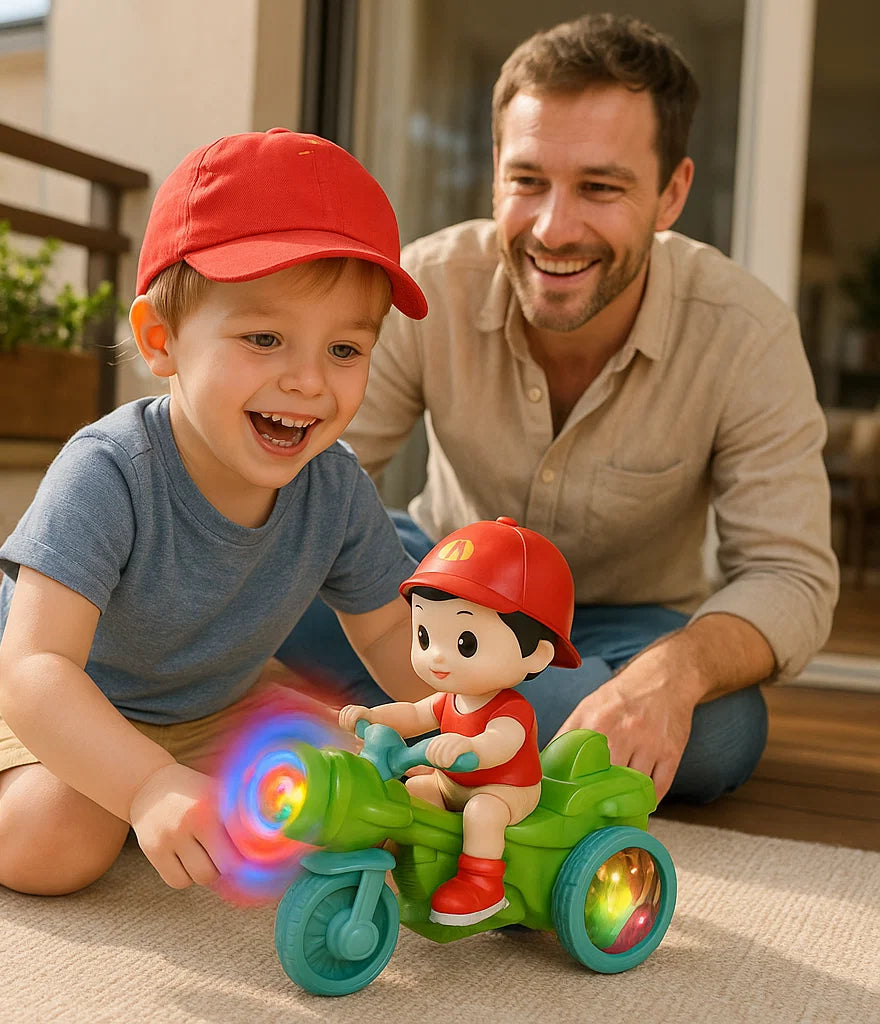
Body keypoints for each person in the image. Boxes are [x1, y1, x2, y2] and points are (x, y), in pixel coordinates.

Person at [0, 128, 433, 895]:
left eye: (344, 351)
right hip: (45, 700)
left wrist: (458, 725)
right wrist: (144, 783)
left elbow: (393, 629)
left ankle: (161, 786)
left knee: (371, 789)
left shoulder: (335, 487)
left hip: (212, 705)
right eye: (264, 338)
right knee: (57, 843)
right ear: (161, 341)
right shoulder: (110, 471)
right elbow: (37, 670)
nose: (308, 382)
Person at [281, 14, 839, 805]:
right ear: (496, 176)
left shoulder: (745, 332)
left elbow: (791, 574)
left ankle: (423, 723)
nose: (554, 228)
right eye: (528, 180)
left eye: (601, 188)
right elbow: (309, 478)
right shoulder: (426, 286)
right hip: (440, 587)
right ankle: (485, 726)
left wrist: (672, 674)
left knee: (720, 734)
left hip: (627, 627)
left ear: (671, 193)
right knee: (287, 581)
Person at [338, 516, 579, 925]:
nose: (437, 657)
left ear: (537, 654)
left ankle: (482, 884)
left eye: (465, 642)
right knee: (410, 794)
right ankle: (398, 864)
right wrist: (372, 716)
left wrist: (470, 747)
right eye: (425, 637)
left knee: (481, 814)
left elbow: (500, 743)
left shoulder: (511, 708)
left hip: (505, 791)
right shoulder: (451, 697)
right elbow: (414, 713)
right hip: (452, 782)